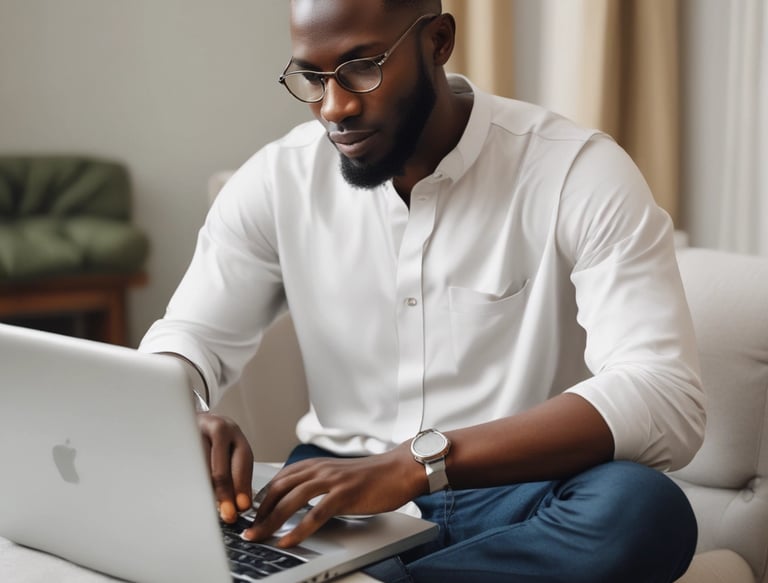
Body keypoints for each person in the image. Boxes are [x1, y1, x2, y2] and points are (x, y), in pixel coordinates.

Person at [139, 0, 706, 581]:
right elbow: (189, 336)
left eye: (363, 67)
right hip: (334, 495)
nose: (335, 107)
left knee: (643, 510)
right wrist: (179, 407)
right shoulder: (276, 180)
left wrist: (416, 464)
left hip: (518, 493)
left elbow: (664, 396)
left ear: (437, 41)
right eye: (312, 77)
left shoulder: (574, 171)